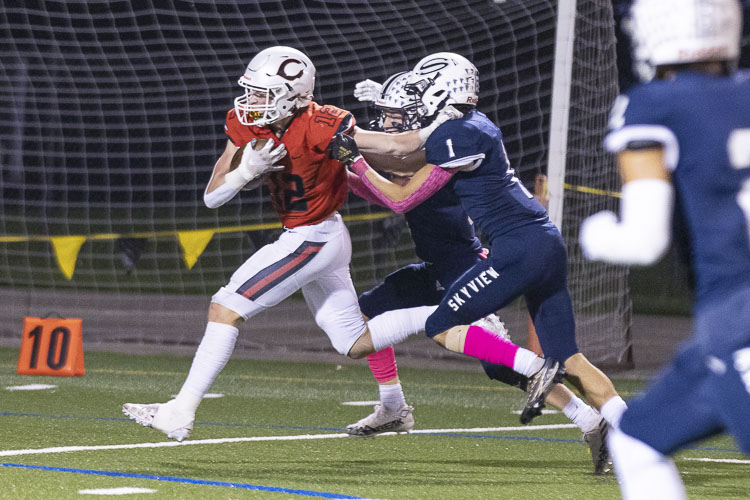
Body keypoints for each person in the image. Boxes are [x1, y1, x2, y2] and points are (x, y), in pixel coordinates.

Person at [121, 46, 453, 441]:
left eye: (262, 94)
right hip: (318, 236)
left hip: (313, 236)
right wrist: (244, 171)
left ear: (293, 95)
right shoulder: (247, 124)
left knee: (225, 307)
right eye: (251, 92)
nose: (251, 102)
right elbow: (212, 197)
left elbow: (395, 148)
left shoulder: (324, 123)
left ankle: (179, 410)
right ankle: (432, 345)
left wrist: (442, 126)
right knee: (354, 341)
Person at [331, 52, 628, 435]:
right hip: (521, 247)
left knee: (467, 341)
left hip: (497, 254)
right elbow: (399, 155)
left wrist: (349, 153)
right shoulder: (458, 128)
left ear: (439, 93)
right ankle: (629, 431)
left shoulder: (454, 137)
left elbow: (399, 184)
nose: (394, 120)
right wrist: (363, 143)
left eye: (406, 107)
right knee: (569, 357)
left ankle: (563, 395)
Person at [579, 0, 750, 498]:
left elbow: (644, 239)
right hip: (720, 335)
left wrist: (595, 233)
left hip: (737, 316)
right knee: (637, 439)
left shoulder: (655, 105)